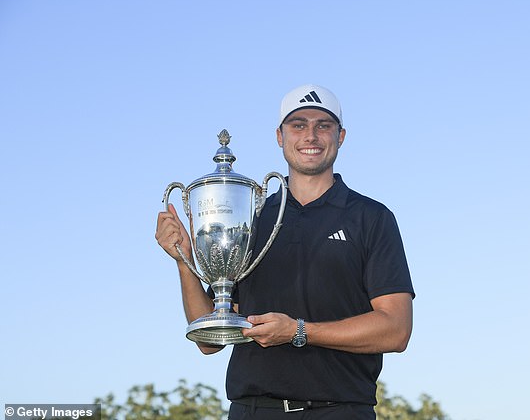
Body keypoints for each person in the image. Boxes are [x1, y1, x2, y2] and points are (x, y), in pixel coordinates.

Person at [156, 84, 415, 419]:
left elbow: (396, 329)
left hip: (339, 411)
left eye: (323, 125)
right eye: (299, 125)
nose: (311, 136)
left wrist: (298, 332)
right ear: (280, 136)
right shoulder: (252, 220)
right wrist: (184, 260)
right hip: (252, 410)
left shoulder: (371, 217)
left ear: (341, 136)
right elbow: (209, 340)